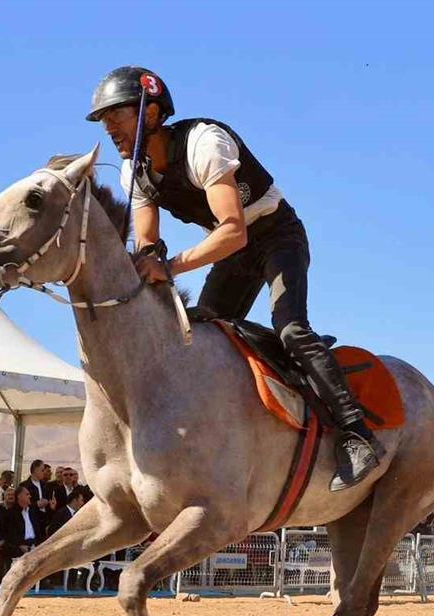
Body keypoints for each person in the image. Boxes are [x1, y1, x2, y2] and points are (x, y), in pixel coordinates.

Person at [88, 66, 383, 491]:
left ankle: (357, 434)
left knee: (292, 329)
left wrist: (170, 268)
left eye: (117, 115)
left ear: (150, 113)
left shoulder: (205, 143)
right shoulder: (133, 170)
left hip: (276, 237)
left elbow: (233, 230)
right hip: (234, 253)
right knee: (197, 333)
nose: (109, 128)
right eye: (104, 120)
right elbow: (148, 242)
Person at [5, 485, 47, 560]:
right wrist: (19, 545)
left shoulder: (33, 510)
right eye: (27, 494)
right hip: (19, 548)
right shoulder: (11, 513)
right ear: (19, 496)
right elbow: (10, 534)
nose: (30, 496)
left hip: (35, 546)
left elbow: (42, 524)